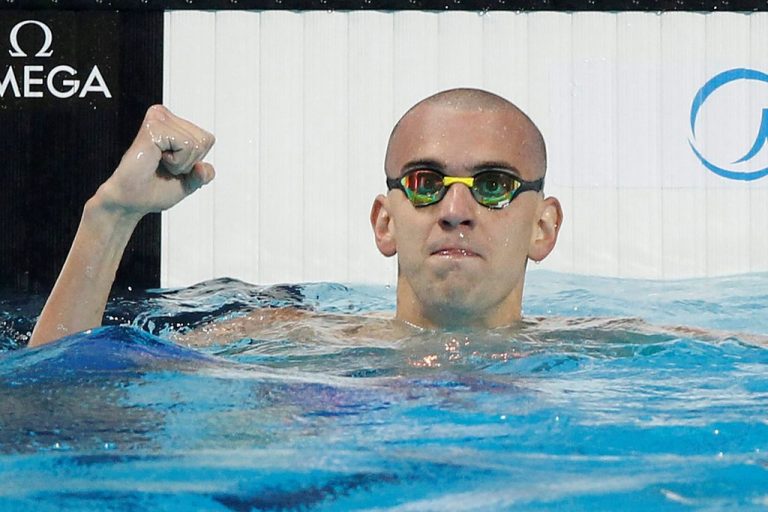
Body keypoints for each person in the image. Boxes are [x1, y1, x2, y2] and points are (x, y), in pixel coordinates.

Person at [27, 88, 563, 348]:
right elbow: (56, 401)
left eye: (494, 185)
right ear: (384, 223)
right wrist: (112, 215)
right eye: (425, 183)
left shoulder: (607, 356)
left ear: (543, 228)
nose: (455, 212)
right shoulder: (281, 341)